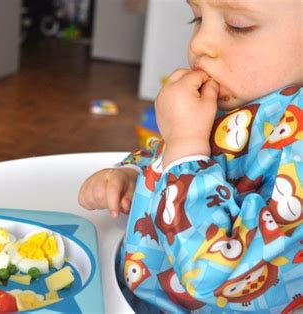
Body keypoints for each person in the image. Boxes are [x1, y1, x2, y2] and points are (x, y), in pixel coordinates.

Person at [78, 0, 302, 312]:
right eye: (196, 18)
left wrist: (185, 144)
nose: (199, 44)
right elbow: (184, 157)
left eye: (238, 25)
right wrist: (135, 176)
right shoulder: (251, 96)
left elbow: (224, 276)